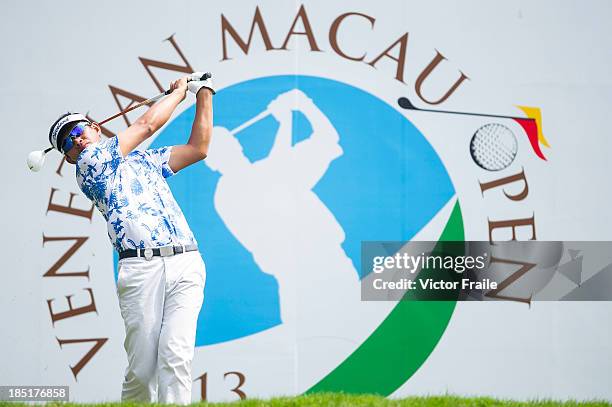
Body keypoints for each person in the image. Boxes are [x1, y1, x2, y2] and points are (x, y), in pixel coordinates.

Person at [47, 72, 215, 404]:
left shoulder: (144, 160)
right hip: (141, 271)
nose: (76, 141)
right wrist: (180, 93)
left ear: (95, 128)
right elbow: (146, 127)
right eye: (67, 143)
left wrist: (205, 94)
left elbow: (198, 148)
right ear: (68, 157)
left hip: (186, 262)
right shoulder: (90, 168)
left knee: (176, 355)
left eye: (79, 131)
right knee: (142, 370)